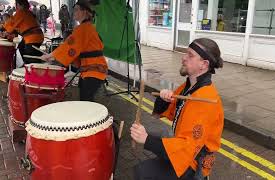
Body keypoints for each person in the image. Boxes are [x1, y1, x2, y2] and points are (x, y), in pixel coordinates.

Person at [130, 38, 224, 179]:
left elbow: (187, 147)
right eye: (186, 53)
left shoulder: (205, 99)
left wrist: (146, 139)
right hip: (186, 151)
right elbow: (166, 113)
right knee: (144, 165)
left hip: (194, 163)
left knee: (143, 172)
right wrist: (164, 99)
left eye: (190, 55)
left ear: (203, 64)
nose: (183, 57)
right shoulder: (189, 87)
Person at [40, 0, 107, 102]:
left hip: (94, 70)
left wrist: (50, 55)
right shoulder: (87, 27)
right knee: (85, 97)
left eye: (76, 10)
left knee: (86, 101)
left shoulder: (84, 28)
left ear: (84, 12)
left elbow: (68, 45)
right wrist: (55, 58)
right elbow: (75, 49)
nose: (73, 12)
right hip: (91, 68)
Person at [0, 0, 44, 64]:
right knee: (21, 47)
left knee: (30, 56)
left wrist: (2, 29)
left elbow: (11, 23)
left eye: (16, 4)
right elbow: (16, 28)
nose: (16, 7)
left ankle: (31, 66)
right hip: (36, 36)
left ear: (19, 5)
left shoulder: (22, 12)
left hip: (32, 38)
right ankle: (28, 63)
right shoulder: (28, 12)